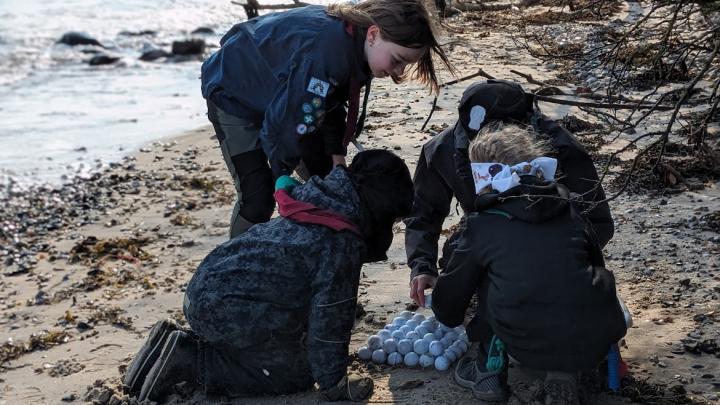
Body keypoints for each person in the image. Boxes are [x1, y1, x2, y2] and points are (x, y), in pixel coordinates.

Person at [122, 150, 414, 402]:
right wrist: (334, 384)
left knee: (285, 333)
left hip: (205, 286)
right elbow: (330, 319)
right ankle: (192, 359)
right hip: (227, 309)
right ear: (380, 206)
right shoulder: (341, 242)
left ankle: (168, 340)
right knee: (295, 374)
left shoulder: (321, 201)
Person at [201, 0, 453, 238]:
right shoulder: (325, 52)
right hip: (233, 91)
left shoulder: (359, 43)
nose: (398, 71)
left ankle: (321, 248)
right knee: (258, 198)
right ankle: (235, 270)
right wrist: (281, 174)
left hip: (286, 91)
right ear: (374, 34)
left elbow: (328, 101)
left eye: (406, 65)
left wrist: (337, 155)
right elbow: (283, 125)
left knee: (326, 180)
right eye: (397, 60)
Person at [430, 124, 627, 404]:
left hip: (523, 337)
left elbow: (450, 300)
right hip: (591, 332)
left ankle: (489, 371)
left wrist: (448, 313)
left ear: (483, 177)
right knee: (564, 273)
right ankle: (564, 371)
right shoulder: (568, 208)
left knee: (491, 277)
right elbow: (596, 262)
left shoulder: (483, 225)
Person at [404, 80, 615, 307]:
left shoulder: (560, 147)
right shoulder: (441, 150)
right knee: (457, 253)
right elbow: (423, 214)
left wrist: (555, 260)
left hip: (551, 231)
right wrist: (422, 266)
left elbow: (598, 220)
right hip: (486, 230)